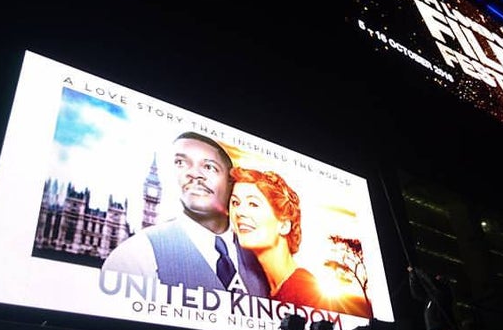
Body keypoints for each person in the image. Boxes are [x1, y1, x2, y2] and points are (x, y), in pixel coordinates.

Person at [100, 132, 269, 295]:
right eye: (181, 163)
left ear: (231, 182)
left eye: (209, 167)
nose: (193, 174)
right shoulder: (135, 255)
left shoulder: (261, 257)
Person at [229, 166, 372, 317]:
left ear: (284, 225)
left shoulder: (306, 292)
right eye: (235, 203)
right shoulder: (261, 285)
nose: (239, 212)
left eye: (253, 204)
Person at [409, 265, 458, 330]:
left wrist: (417, 271)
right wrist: (412, 276)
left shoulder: (442, 294)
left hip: (442, 329)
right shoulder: (429, 299)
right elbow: (416, 293)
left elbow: (431, 282)